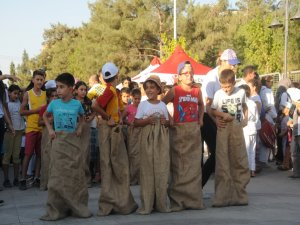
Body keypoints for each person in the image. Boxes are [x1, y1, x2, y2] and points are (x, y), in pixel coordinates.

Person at [40, 73, 91, 221]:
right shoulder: (54, 104)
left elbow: (82, 117)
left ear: (71, 88)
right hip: (59, 141)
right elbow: (45, 116)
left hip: (73, 143)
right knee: (57, 175)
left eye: (62, 87)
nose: (58, 90)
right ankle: (56, 209)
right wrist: (50, 129)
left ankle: (76, 206)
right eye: (57, 87)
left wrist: (80, 127)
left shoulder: (77, 104)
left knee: (74, 174)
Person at [92, 62, 137, 216]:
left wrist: (120, 118)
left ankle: (118, 202)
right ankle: (114, 203)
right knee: (112, 165)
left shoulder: (113, 91)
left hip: (114, 129)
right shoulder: (110, 90)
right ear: (116, 76)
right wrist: (109, 118)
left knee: (115, 165)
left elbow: (120, 110)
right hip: (108, 130)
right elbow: (95, 106)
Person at [163, 61, 204, 211]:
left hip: (193, 130)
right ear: (179, 76)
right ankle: (178, 201)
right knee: (179, 166)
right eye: (186, 73)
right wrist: (170, 118)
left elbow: (202, 105)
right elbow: (162, 104)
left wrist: (200, 119)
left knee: (193, 166)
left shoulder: (197, 91)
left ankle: (193, 200)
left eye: (191, 73)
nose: (189, 76)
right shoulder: (175, 90)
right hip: (179, 130)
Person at [201, 48, 241, 187]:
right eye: (232, 64)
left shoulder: (229, 77)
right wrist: (216, 121)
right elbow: (207, 105)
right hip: (206, 117)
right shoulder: (211, 77)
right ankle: (198, 186)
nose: (234, 67)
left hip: (219, 117)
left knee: (223, 153)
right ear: (223, 61)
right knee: (218, 153)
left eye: (235, 64)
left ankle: (225, 187)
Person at [211, 69, 250, 207]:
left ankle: (239, 196)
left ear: (234, 82)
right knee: (223, 161)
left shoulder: (241, 92)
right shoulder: (218, 94)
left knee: (238, 160)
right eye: (223, 87)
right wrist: (220, 117)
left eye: (228, 87)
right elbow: (212, 110)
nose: (226, 90)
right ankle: (222, 197)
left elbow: (245, 106)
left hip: (237, 129)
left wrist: (245, 119)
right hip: (223, 129)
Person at [135, 75, 170, 214]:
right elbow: (136, 122)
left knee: (161, 170)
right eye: (147, 88)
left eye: (152, 87)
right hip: (147, 140)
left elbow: (168, 123)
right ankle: (147, 205)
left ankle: (161, 204)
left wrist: (164, 121)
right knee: (147, 171)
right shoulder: (143, 105)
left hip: (161, 140)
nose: (149, 90)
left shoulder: (162, 105)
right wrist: (148, 121)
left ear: (158, 90)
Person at [19, 69, 46, 190]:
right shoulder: (28, 94)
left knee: (40, 155)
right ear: (33, 80)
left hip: (42, 128)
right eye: (37, 79)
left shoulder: (45, 94)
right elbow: (21, 111)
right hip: (31, 128)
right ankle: (23, 179)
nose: (39, 81)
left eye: (41, 79)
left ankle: (36, 178)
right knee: (28, 154)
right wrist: (35, 111)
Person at [2, 84, 24, 187]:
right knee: (7, 155)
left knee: (16, 156)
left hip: (19, 131)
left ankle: (16, 178)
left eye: (18, 93)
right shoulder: (6, 104)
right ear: (9, 93)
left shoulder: (20, 102)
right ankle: (6, 179)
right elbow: (6, 118)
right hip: (9, 132)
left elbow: (25, 90)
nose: (16, 95)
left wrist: (20, 90)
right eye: (14, 93)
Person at [74, 81, 95, 187]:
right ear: (76, 90)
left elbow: (93, 112)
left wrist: (90, 118)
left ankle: (86, 179)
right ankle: (76, 179)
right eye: (81, 89)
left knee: (85, 152)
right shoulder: (72, 101)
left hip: (86, 127)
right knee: (75, 152)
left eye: (85, 90)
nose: (83, 92)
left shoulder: (88, 102)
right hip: (74, 126)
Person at [38, 80, 57, 190]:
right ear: (48, 97)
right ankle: (44, 183)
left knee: (55, 159)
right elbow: (39, 122)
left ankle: (54, 184)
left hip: (57, 133)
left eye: (56, 96)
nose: (54, 98)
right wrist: (49, 120)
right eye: (52, 96)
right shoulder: (44, 108)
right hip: (46, 133)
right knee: (46, 158)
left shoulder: (59, 106)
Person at [122, 88, 142, 185]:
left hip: (141, 131)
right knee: (132, 154)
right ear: (132, 98)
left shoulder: (142, 107)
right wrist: (129, 123)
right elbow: (122, 118)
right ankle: (132, 178)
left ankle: (140, 178)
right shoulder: (129, 108)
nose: (137, 101)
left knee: (141, 154)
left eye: (139, 99)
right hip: (132, 131)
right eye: (135, 99)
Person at [240, 85, 259, 177]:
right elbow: (256, 118)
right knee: (252, 150)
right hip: (253, 127)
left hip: (245, 127)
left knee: (246, 150)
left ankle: (246, 170)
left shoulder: (242, 103)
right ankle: (252, 170)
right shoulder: (253, 103)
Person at [259, 76, 277, 165]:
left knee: (263, 137)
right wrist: (275, 116)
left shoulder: (260, 90)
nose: (271, 83)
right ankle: (265, 160)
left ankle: (263, 159)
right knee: (268, 137)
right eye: (270, 81)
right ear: (266, 82)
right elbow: (270, 106)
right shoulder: (267, 91)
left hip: (262, 116)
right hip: (269, 117)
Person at [289, 100, 300, 178]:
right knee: (294, 153)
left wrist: (298, 106)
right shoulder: (295, 107)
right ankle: (296, 173)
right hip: (295, 132)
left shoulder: (298, 106)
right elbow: (291, 116)